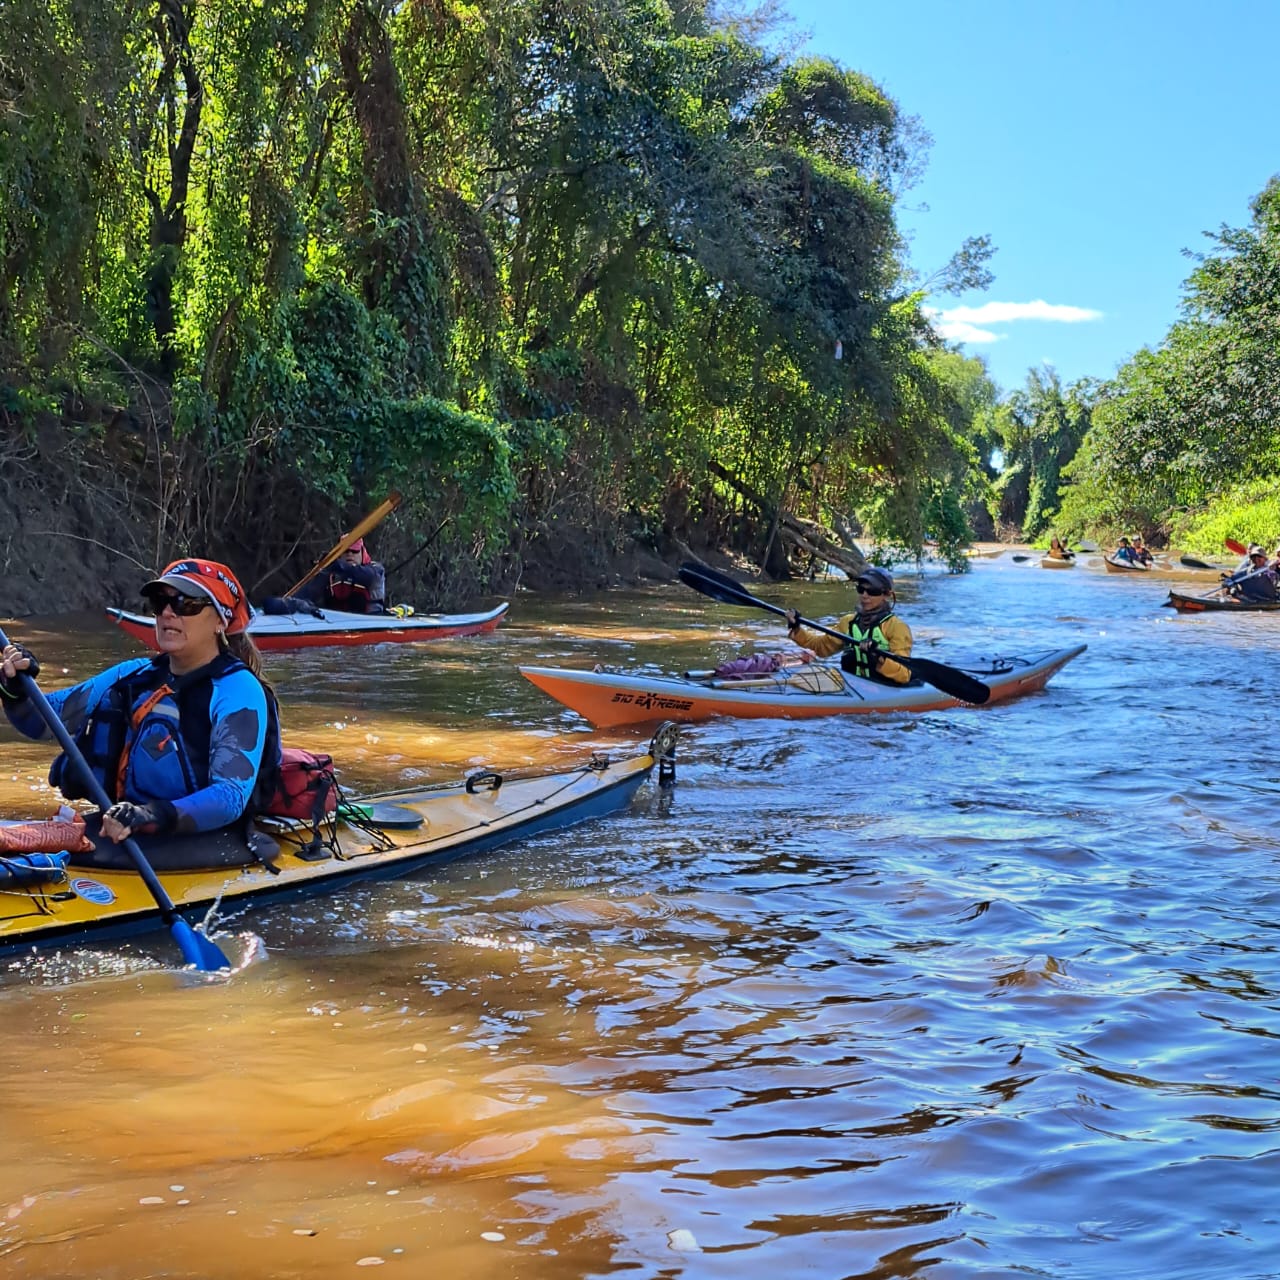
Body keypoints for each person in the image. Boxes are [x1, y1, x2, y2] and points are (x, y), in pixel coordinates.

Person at [0, 559, 279, 844]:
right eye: (161, 602)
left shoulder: (238, 689)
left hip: (201, 836)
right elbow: (40, 721)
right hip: (126, 827)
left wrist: (147, 815)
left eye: (186, 604)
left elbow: (230, 797)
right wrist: (16, 687)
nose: (168, 613)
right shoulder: (132, 675)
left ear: (221, 620)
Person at [783, 566, 913, 684]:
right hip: (853, 687)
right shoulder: (848, 622)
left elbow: (904, 674)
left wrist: (877, 656)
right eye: (861, 589)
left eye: (872, 591)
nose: (864, 595)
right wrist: (797, 628)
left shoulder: (897, 627)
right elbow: (820, 648)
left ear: (886, 595)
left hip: (884, 689)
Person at [291, 538, 387, 615]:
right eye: (346, 551)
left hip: (370, 622)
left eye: (355, 551)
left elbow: (367, 576)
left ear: (362, 552)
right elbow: (310, 591)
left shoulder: (376, 570)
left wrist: (338, 565)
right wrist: (290, 603)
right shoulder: (331, 573)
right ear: (340, 554)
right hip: (337, 624)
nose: (350, 554)